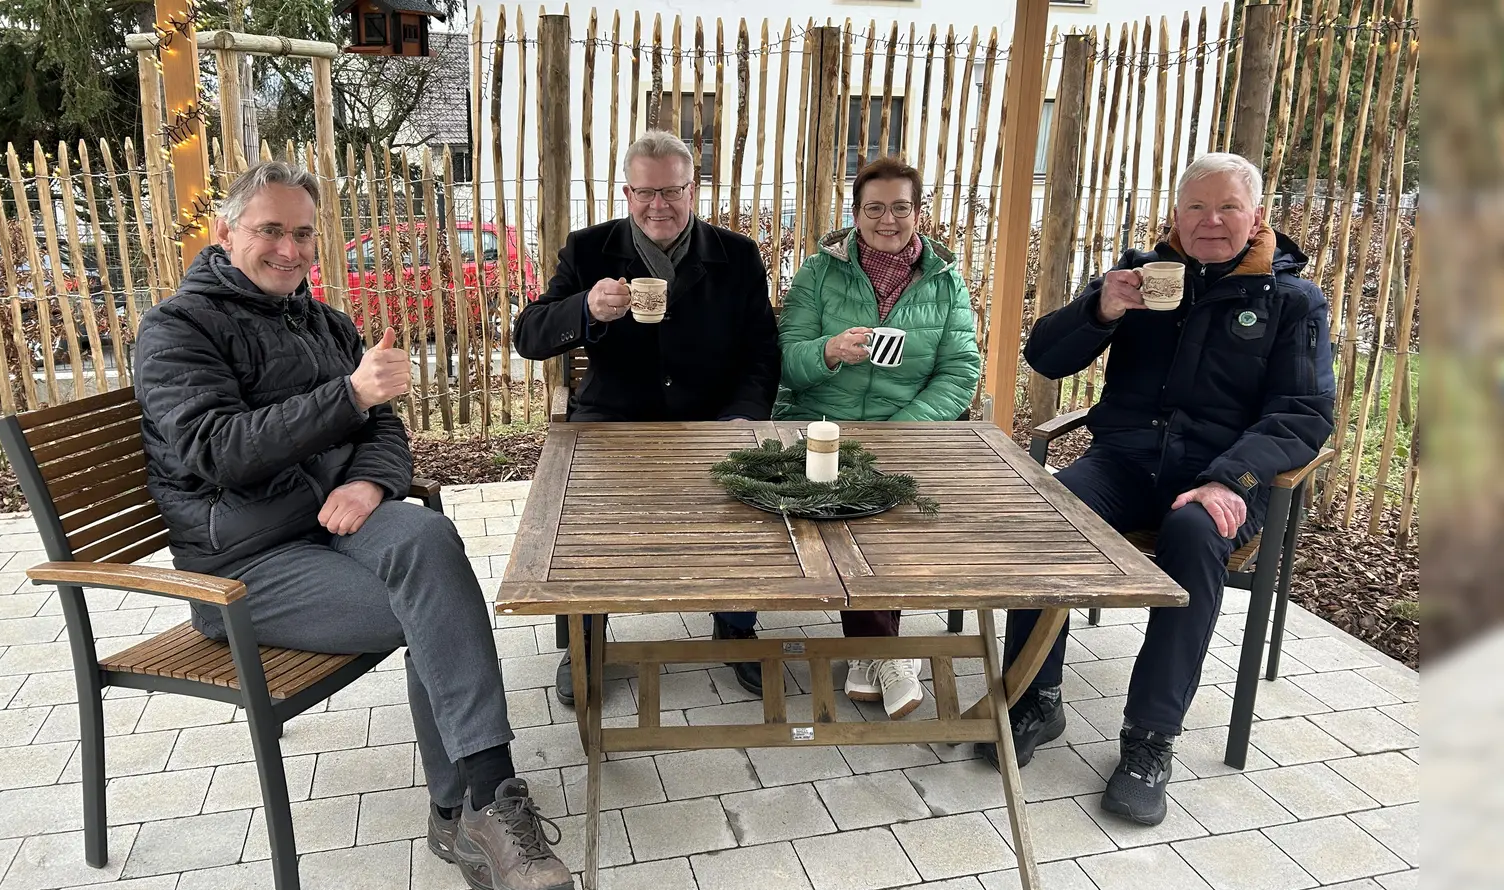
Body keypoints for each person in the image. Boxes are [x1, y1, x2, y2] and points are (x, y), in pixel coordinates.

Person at [134, 161, 574, 890]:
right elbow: (214, 450)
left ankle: (474, 804)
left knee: (426, 542)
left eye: (303, 233)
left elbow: (384, 428)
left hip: (332, 527)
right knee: (434, 603)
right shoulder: (178, 329)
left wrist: (371, 481)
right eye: (270, 230)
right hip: (245, 568)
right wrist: (347, 395)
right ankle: (474, 806)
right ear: (223, 231)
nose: (290, 249)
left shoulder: (324, 321)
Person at [979, 152, 1335, 826]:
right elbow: (1046, 356)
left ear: (1256, 215)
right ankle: (1034, 696)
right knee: (1050, 516)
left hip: (1219, 475)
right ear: (1176, 213)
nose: (1210, 221)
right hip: (1125, 462)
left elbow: (1306, 414)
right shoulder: (1142, 276)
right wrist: (1100, 309)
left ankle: (1149, 740)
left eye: (1228, 207)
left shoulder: (1290, 299)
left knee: (1195, 536)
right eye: (1196, 207)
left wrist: (1230, 478)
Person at [515, 130, 780, 706]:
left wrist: (743, 416)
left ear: (693, 189)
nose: (658, 205)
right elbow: (528, 336)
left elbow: (762, 349)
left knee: (743, 499)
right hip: (613, 416)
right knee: (582, 511)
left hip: (711, 416)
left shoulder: (737, 255)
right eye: (645, 192)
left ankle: (736, 626)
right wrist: (583, 308)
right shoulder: (589, 250)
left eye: (672, 191)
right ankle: (583, 640)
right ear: (627, 192)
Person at [775, 156, 981, 719]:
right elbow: (786, 363)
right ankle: (889, 654)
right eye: (873, 208)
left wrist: (904, 432)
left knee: (894, 512)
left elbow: (960, 371)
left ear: (918, 212)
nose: (886, 220)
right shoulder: (819, 273)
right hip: (823, 427)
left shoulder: (944, 279)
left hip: (909, 428)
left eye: (899, 207)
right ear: (856, 213)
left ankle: (868, 654)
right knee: (848, 508)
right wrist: (828, 351)